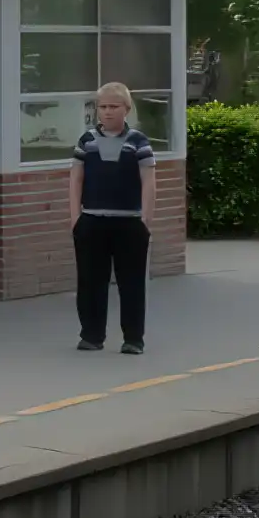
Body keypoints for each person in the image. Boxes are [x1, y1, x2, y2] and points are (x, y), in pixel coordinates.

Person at [73, 81, 155, 356]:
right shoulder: (87, 141)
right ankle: (91, 335)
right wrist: (75, 218)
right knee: (90, 282)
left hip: (129, 222)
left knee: (131, 284)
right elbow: (76, 179)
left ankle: (133, 339)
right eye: (103, 107)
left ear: (126, 109)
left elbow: (149, 181)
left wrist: (145, 220)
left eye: (114, 106)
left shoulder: (138, 142)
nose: (107, 112)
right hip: (92, 221)